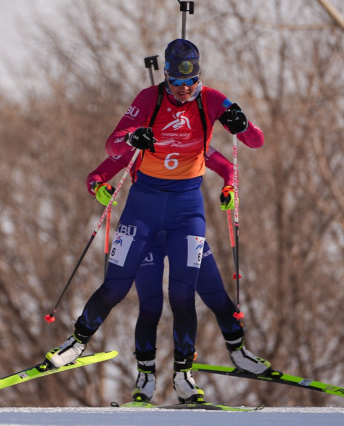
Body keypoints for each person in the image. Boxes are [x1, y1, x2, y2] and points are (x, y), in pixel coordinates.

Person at [44, 38, 264, 404]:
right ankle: (76, 343)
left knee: (183, 295)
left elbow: (254, 141)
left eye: (190, 82)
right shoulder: (149, 99)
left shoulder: (212, 100)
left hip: (187, 210)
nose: (184, 89)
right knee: (115, 286)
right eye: (176, 82)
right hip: (143, 207)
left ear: (199, 76)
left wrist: (242, 122)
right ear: (166, 76)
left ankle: (183, 376)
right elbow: (113, 145)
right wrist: (133, 137)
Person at [88, 148, 271, 403]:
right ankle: (145, 377)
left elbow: (228, 167)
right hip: (147, 238)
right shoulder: (138, 144)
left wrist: (229, 187)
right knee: (150, 306)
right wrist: (98, 188)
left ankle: (235, 354)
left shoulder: (192, 142)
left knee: (214, 295)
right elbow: (96, 175)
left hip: (184, 232)